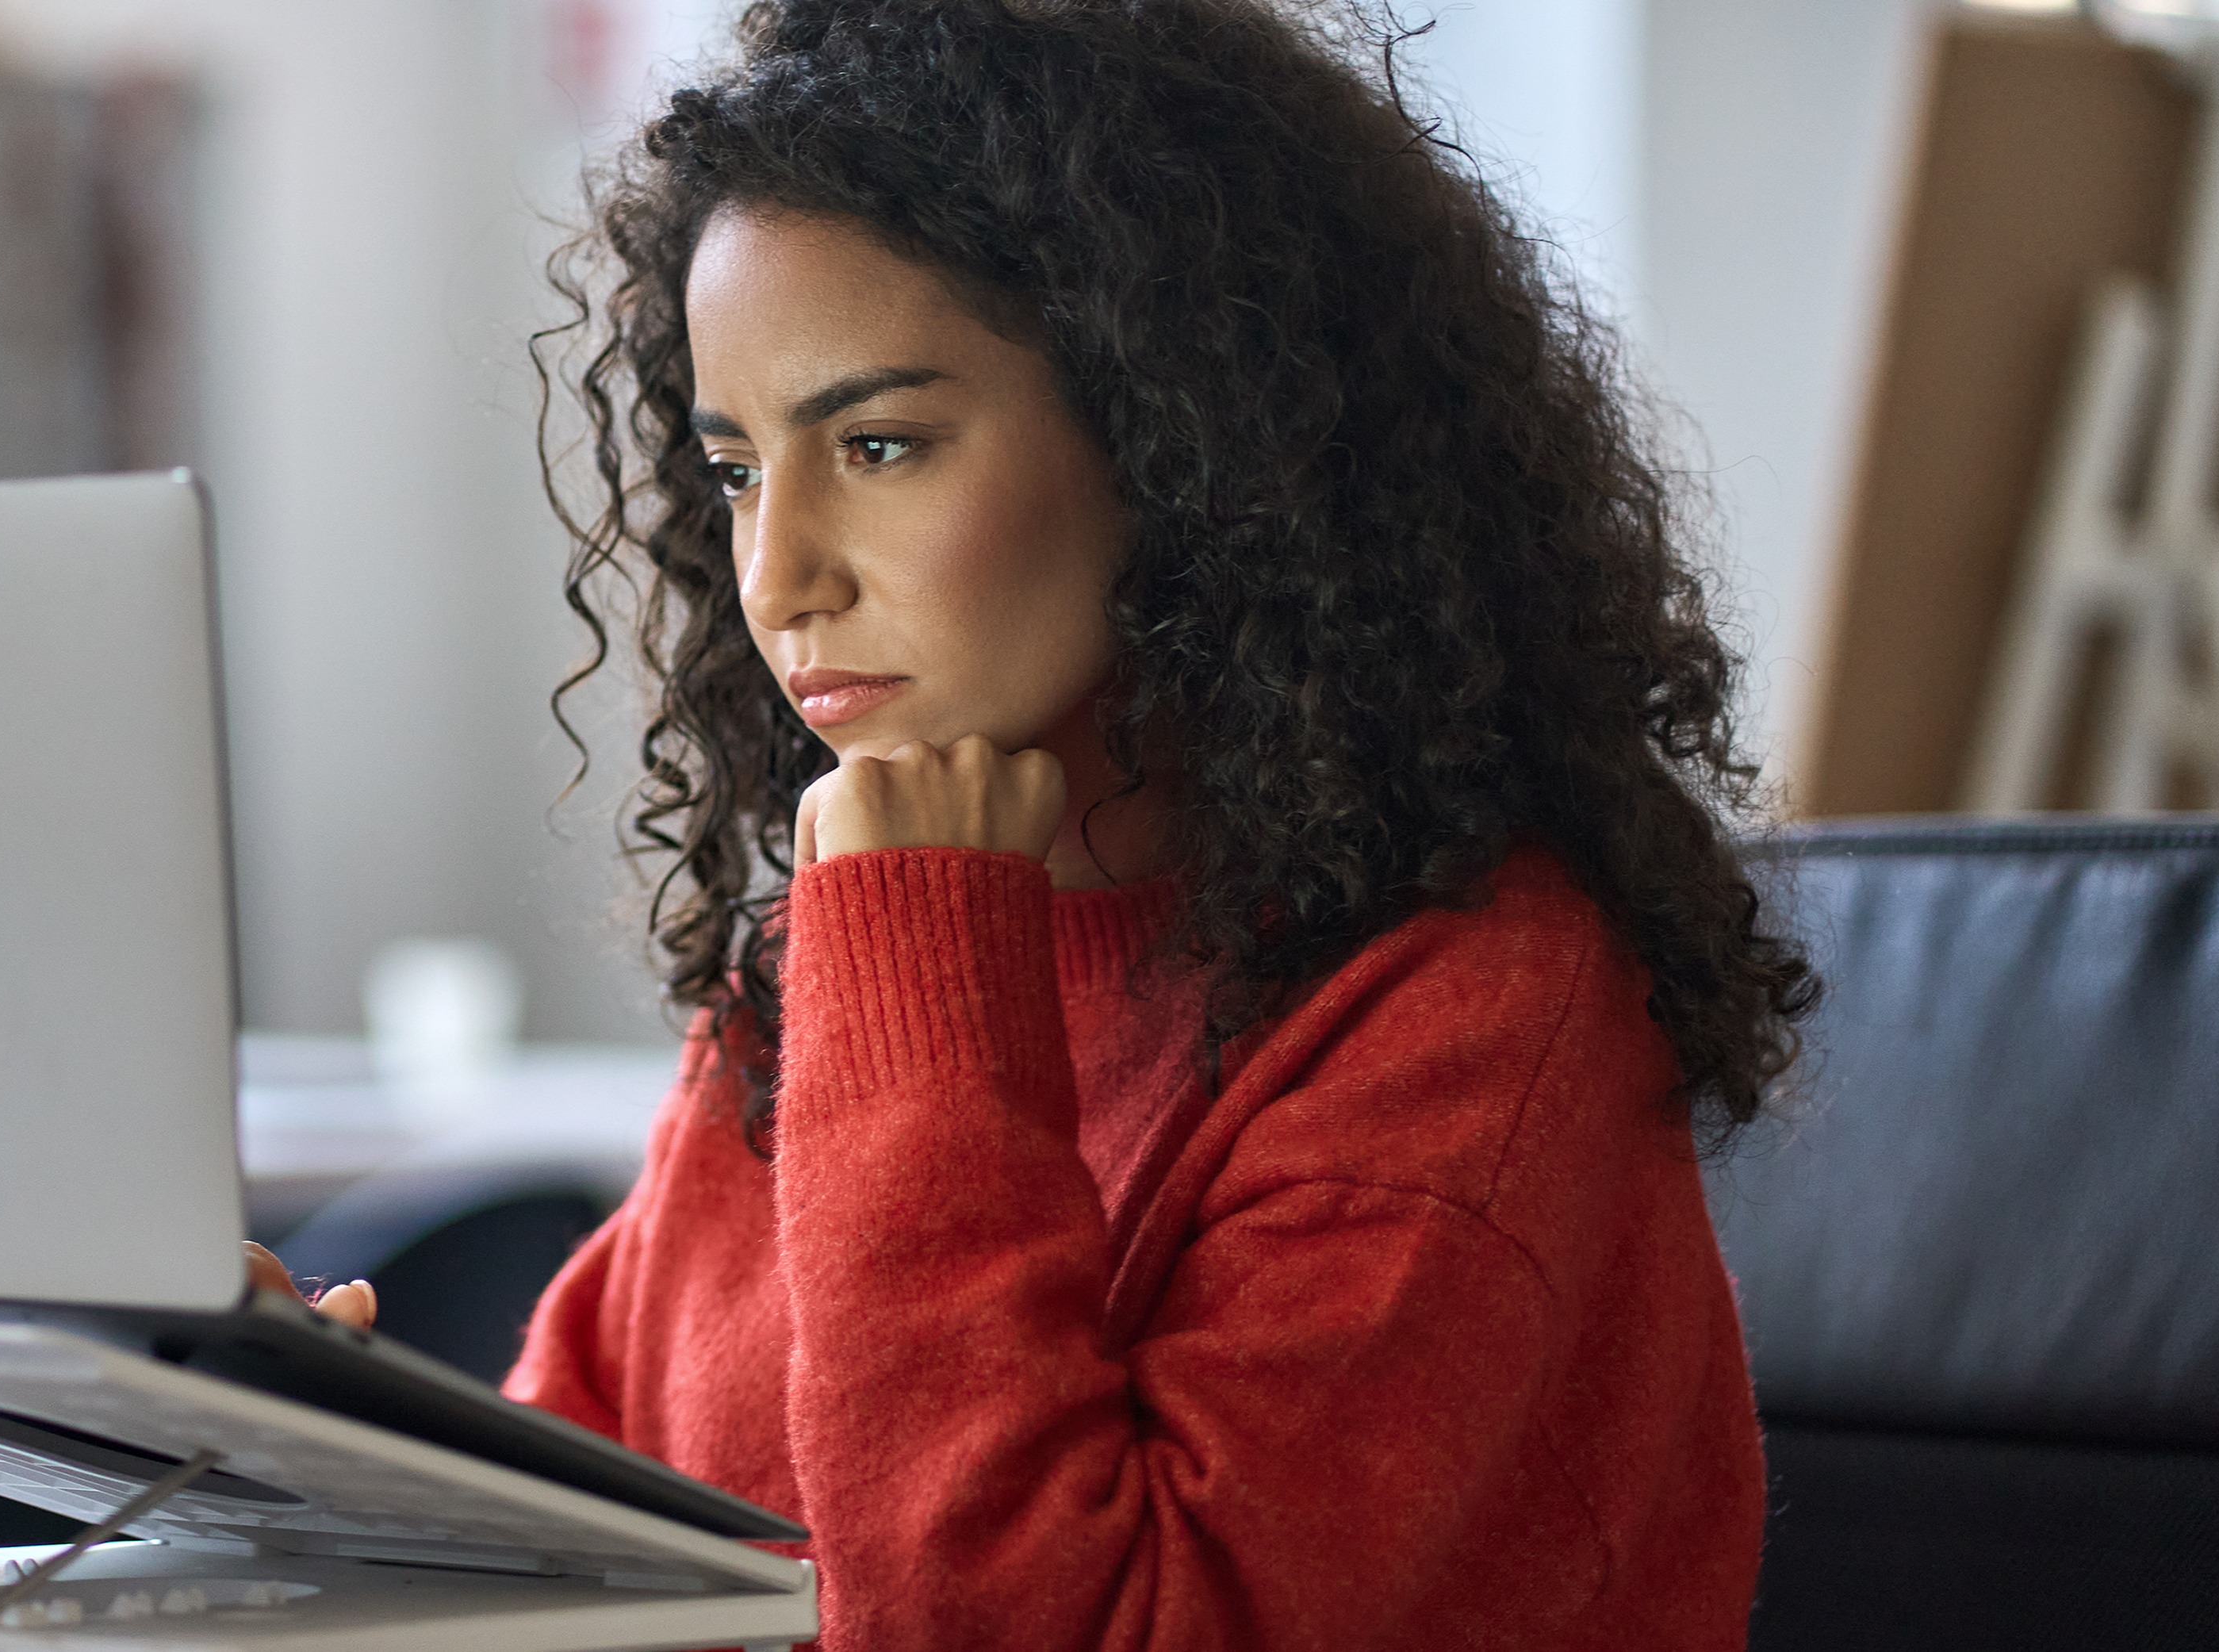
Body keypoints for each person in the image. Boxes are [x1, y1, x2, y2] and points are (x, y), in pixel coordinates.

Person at [418, 2, 1822, 1646]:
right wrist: (286, 1439)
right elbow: (578, 1509)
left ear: (1184, 439)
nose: (776, 575)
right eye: (735, 468)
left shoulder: (1476, 1017)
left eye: (878, 446)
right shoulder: (832, 964)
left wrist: (924, 954)